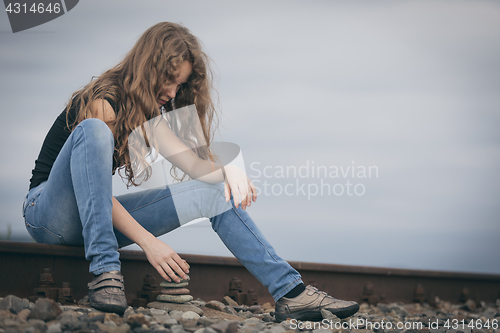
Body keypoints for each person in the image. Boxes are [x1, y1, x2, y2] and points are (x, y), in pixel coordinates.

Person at [22, 22, 359, 321]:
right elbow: (93, 194)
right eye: (168, 81)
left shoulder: (149, 116)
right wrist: (148, 242)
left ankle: (291, 292)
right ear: (148, 67)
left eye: (178, 85)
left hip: (93, 219)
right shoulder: (103, 101)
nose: (171, 93)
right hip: (48, 214)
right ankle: (106, 272)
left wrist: (230, 171)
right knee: (94, 130)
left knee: (211, 193)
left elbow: (197, 168)